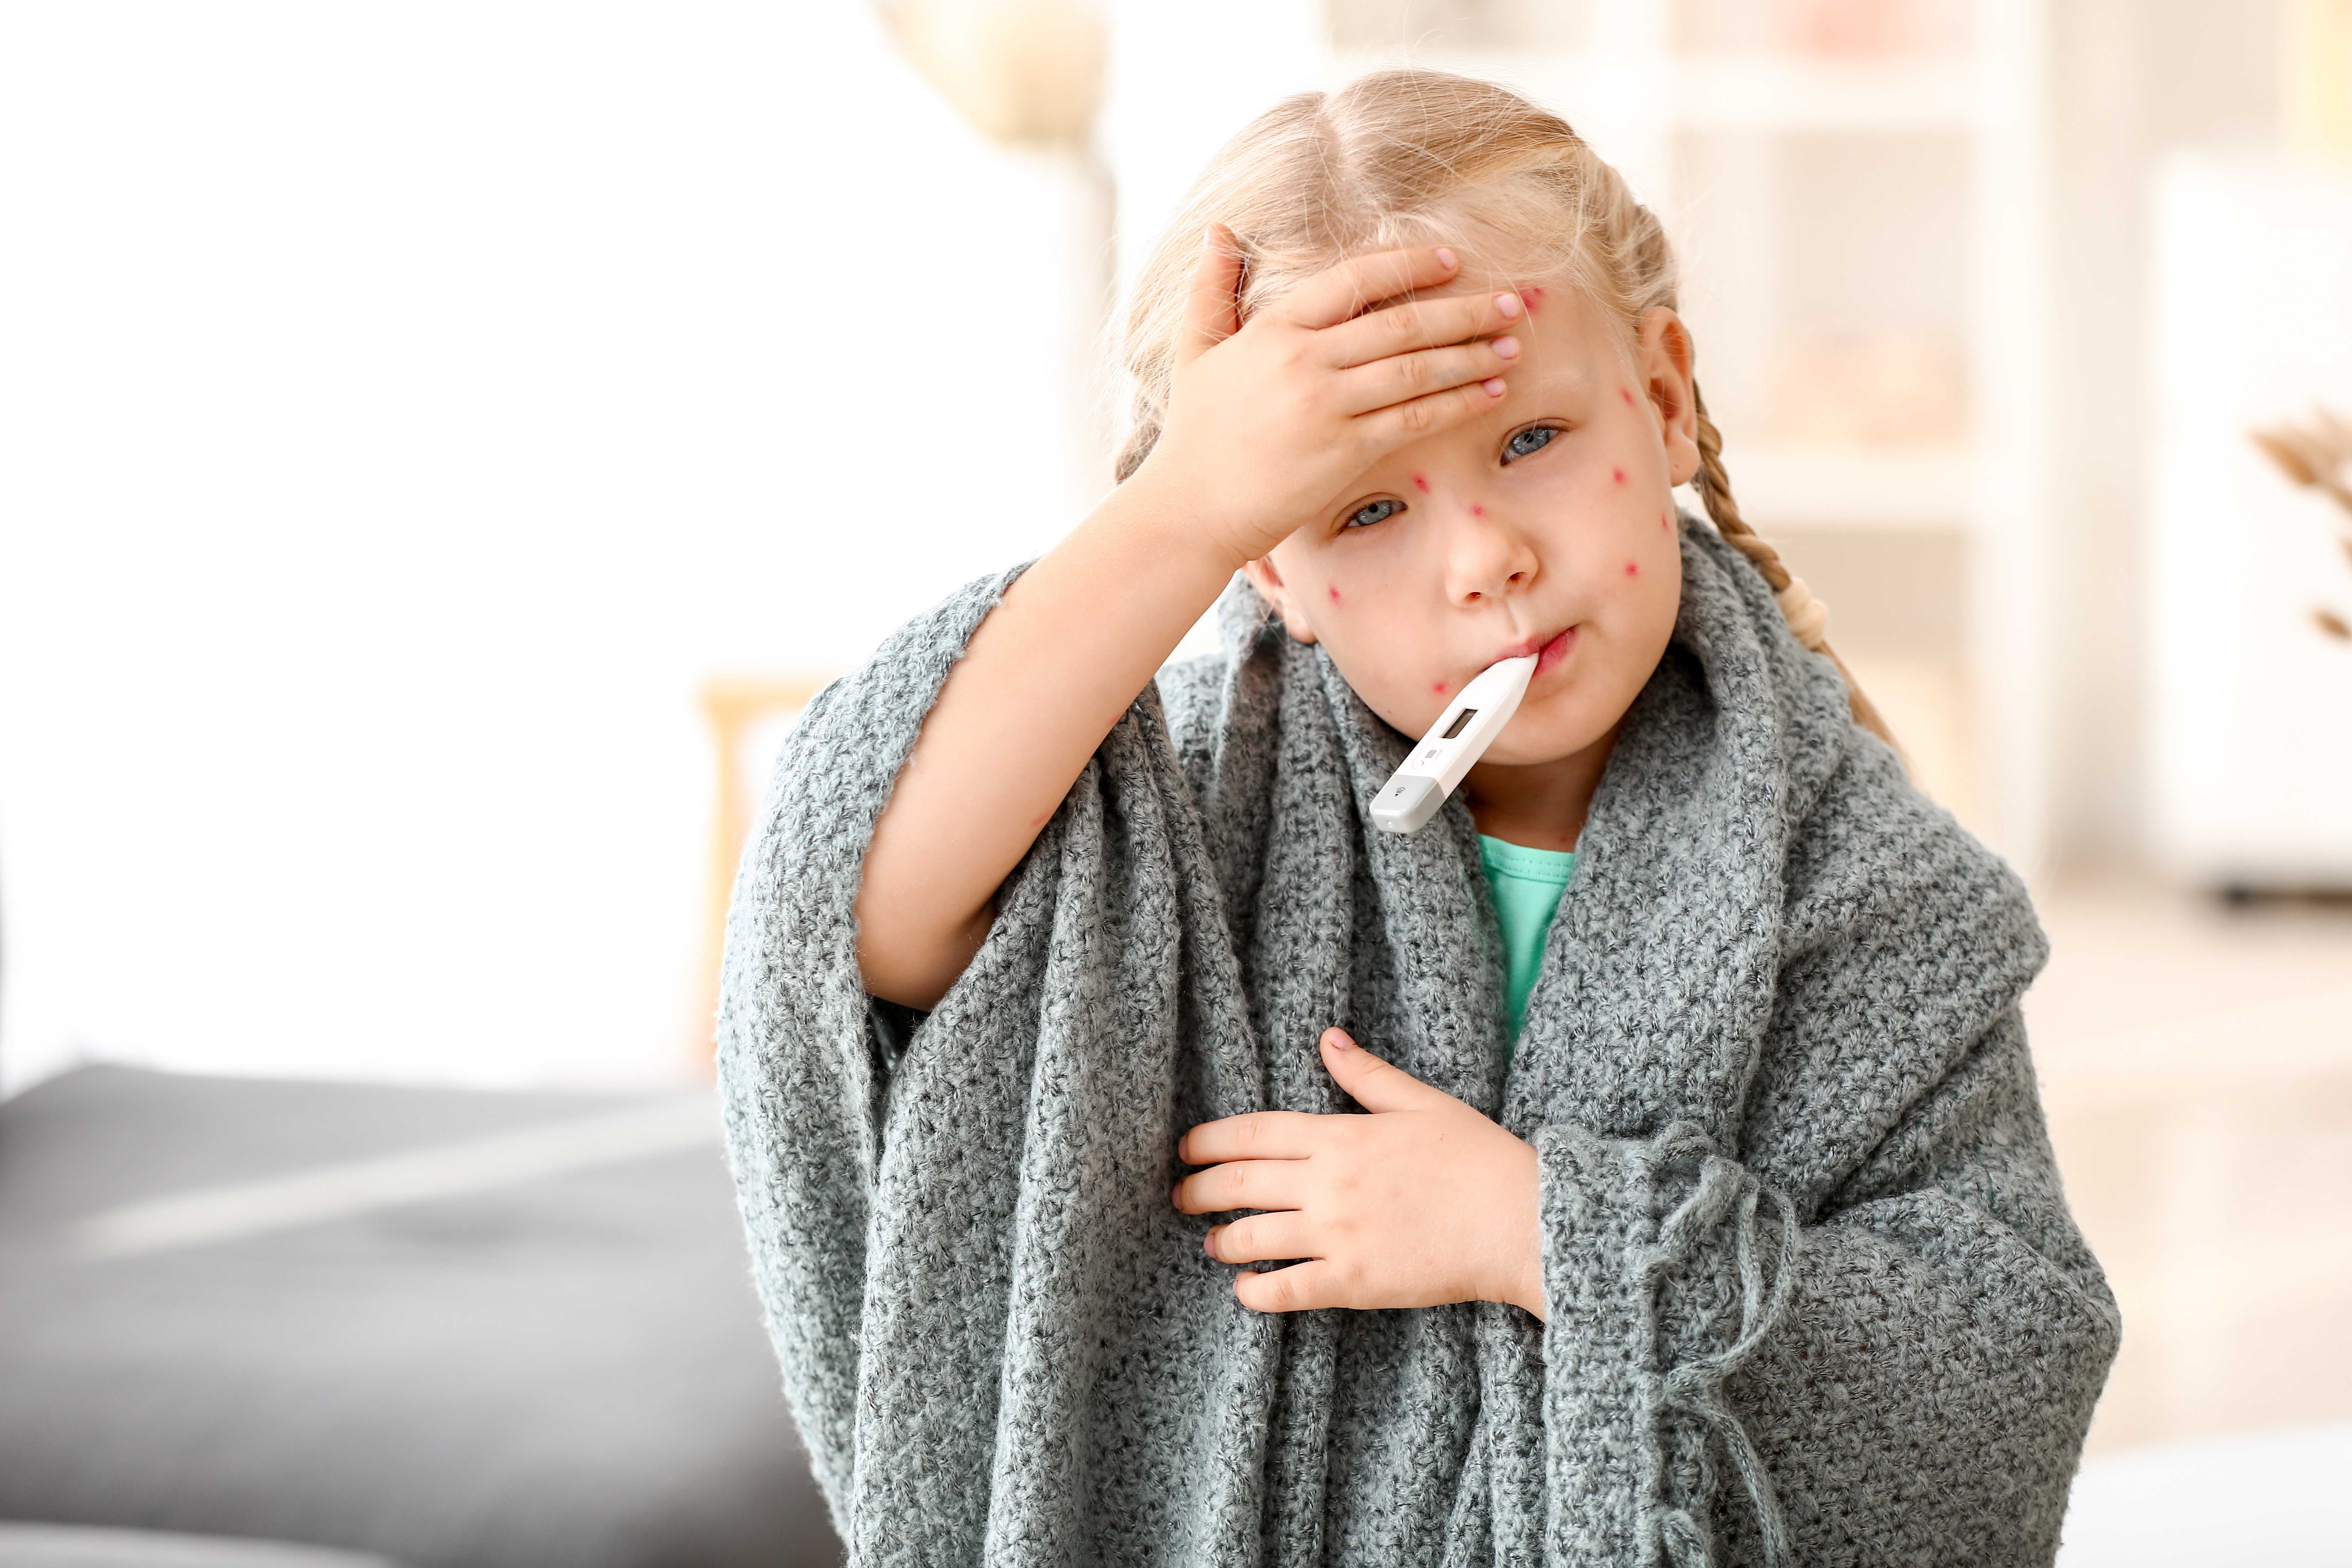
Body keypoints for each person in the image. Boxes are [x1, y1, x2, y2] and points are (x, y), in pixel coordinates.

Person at [717, 69, 2119, 1566]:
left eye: (1530, 441)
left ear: (1660, 400)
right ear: (1271, 571)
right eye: (1365, 509)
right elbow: (845, 919)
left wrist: (1542, 1234)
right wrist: (1186, 504)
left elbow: (1998, 1375)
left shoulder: (1877, 898)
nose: (1487, 558)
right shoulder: (1171, 832)